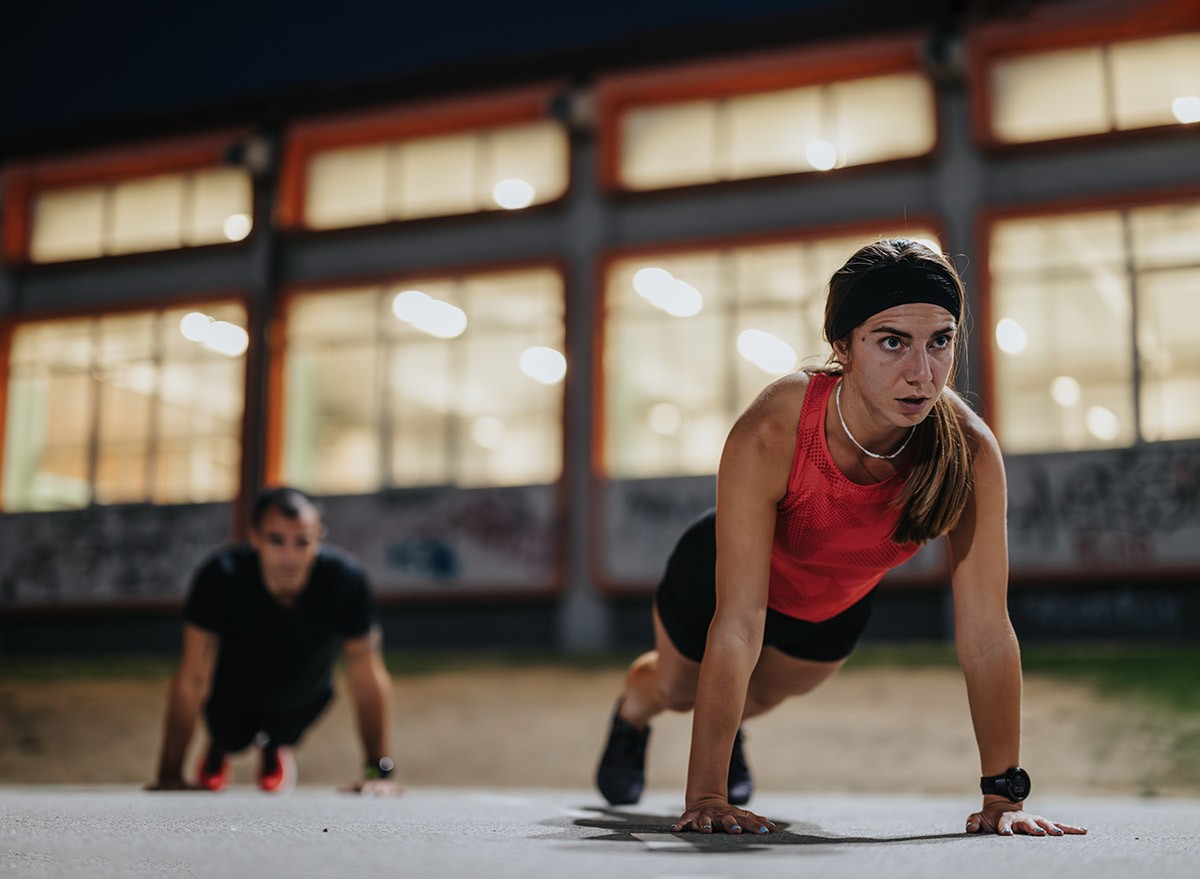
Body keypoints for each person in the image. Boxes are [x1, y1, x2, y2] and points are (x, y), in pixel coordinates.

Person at [596, 238, 1086, 838]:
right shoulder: (773, 428)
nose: (922, 372)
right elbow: (739, 621)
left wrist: (1004, 795)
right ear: (843, 347)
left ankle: (730, 728)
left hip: (831, 603)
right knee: (676, 687)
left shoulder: (970, 452)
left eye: (941, 341)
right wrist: (707, 794)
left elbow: (986, 633)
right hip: (724, 579)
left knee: (759, 697)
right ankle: (631, 715)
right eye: (891, 342)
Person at [148, 486, 399, 795]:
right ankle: (220, 748)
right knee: (229, 733)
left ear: (319, 536)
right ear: (254, 537)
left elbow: (367, 678)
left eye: (302, 542)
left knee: (288, 719)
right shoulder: (220, 576)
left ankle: (274, 747)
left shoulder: (346, 581)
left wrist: (379, 771)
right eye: (276, 540)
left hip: (301, 691)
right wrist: (169, 773)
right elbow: (192, 677)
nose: (290, 557)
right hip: (230, 694)